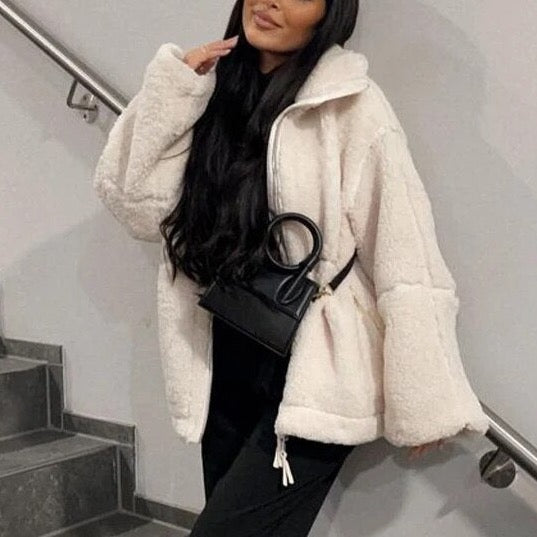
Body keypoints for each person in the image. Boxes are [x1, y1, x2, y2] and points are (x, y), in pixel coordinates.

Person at [92, 1, 490, 535]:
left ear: (329, 13)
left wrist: (427, 396)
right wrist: (173, 93)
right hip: (224, 352)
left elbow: (405, 249)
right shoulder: (211, 94)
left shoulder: (352, 105)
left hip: (313, 371)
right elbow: (135, 207)